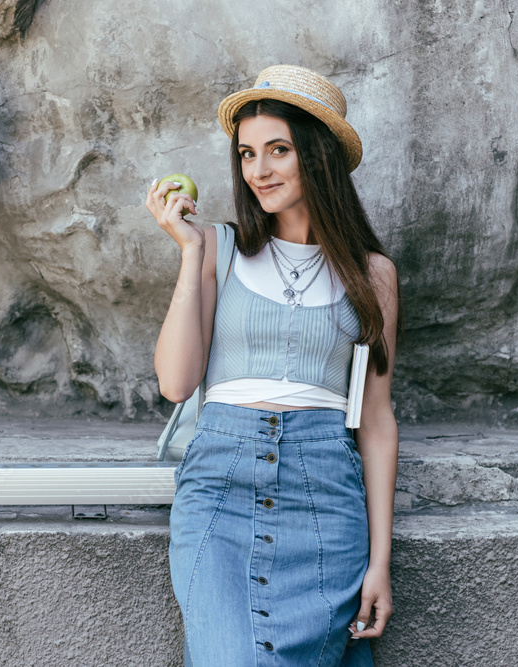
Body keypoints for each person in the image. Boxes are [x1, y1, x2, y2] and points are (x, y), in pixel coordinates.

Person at [145, 64, 400, 667]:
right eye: (247, 153)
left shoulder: (373, 276)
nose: (257, 171)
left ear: (318, 156)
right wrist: (189, 254)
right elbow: (176, 382)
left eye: (278, 150)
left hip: (325, 501)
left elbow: (377, 421)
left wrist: (381, 564)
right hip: (219, 491)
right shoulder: (215, 248)